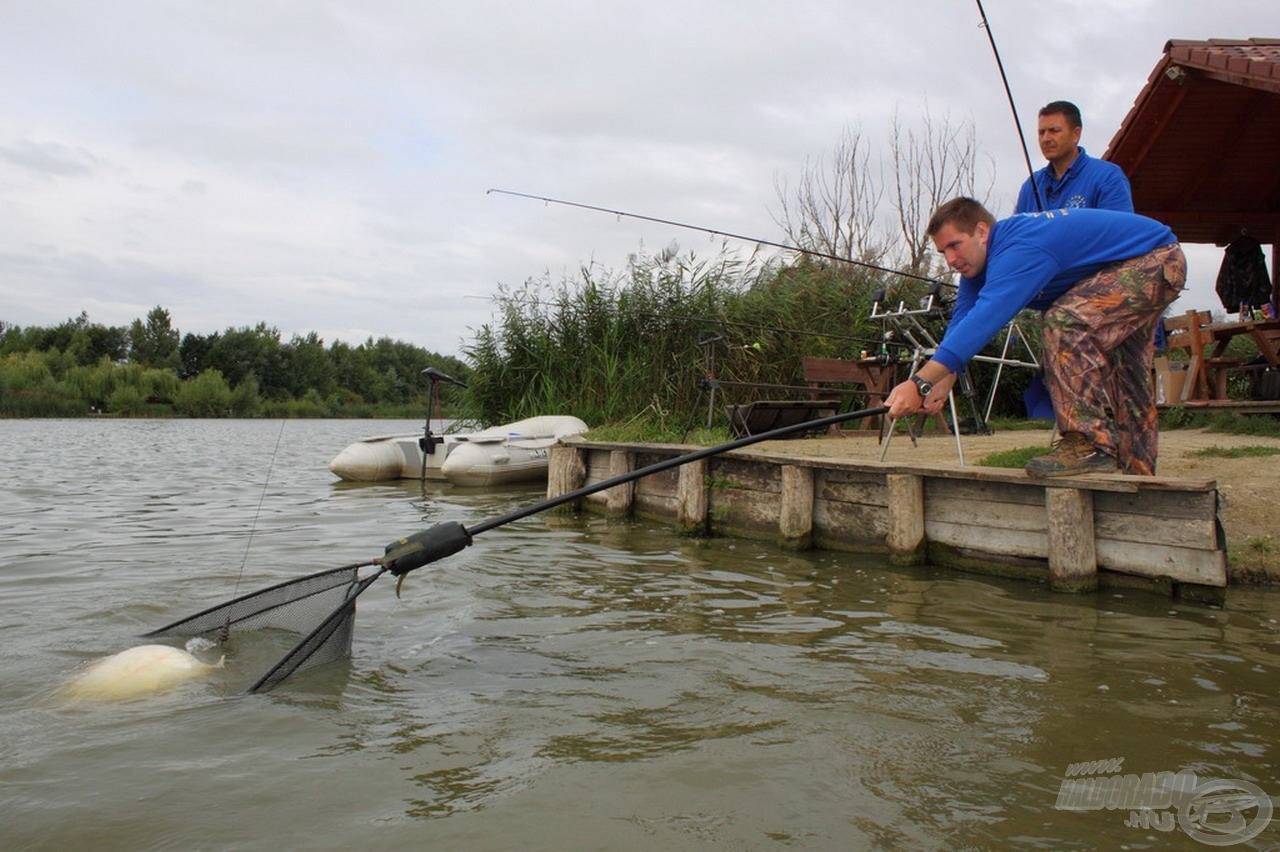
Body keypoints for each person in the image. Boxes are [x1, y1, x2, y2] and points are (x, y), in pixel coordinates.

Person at [886, 198, 1185, 478]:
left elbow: (987, 317)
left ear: (981, 232)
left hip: (1153, 260)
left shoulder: (1018, 248)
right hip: (1129, 266)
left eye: (954, 245)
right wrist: (945, 377)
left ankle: (1087, 443)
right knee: (1128, 376)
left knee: (1064, 322)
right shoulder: (978, 269)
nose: (950, 259)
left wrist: (920, 382)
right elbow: (964, 320)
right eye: (943, 252)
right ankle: (1141, 482)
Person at [1014, 101, 1133, 214]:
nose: (1046, 139)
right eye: (1041, 133)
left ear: (1076, 134)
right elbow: (1016, 233)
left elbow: (1119, 231)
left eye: (1054, 131)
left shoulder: (1107, 177)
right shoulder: (1031, 186)